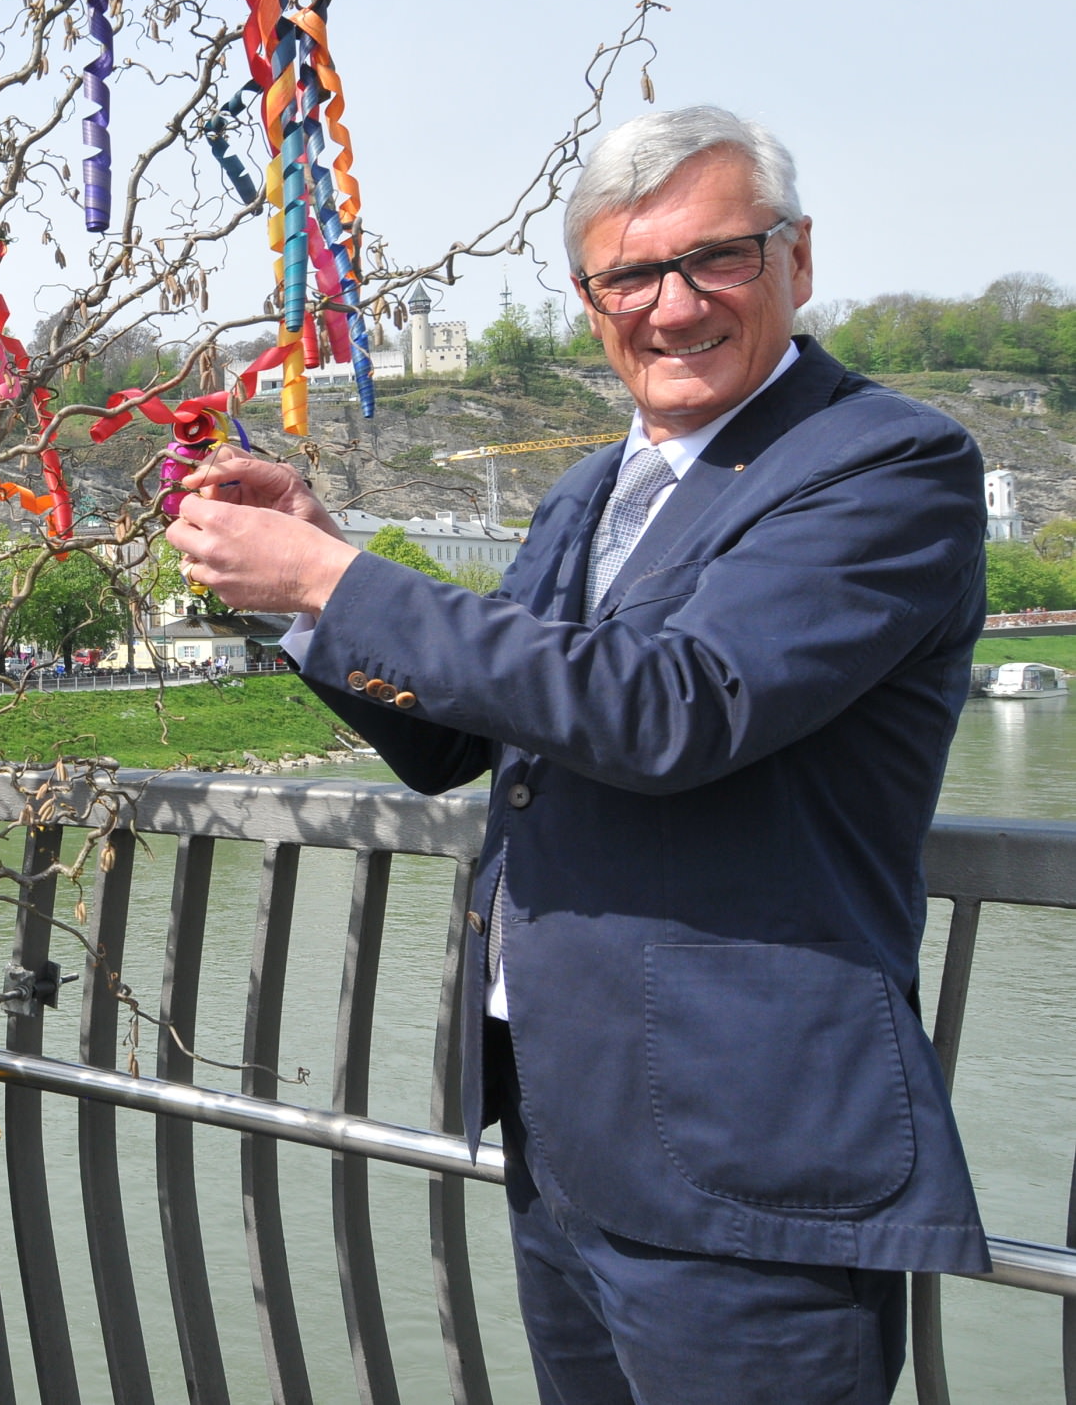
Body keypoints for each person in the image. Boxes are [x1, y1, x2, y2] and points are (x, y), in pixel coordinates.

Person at [166, 107, 989, 1403]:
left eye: (717, 258)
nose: (672, 307)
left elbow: (678, 706)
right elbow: (450, 746)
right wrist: (309, 595)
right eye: (628, 276)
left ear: (799, 261)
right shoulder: (589, 491)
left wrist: (342, 573)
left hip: (749, 1151)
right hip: (568, 1126)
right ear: (587, 300)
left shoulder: (887, 463)